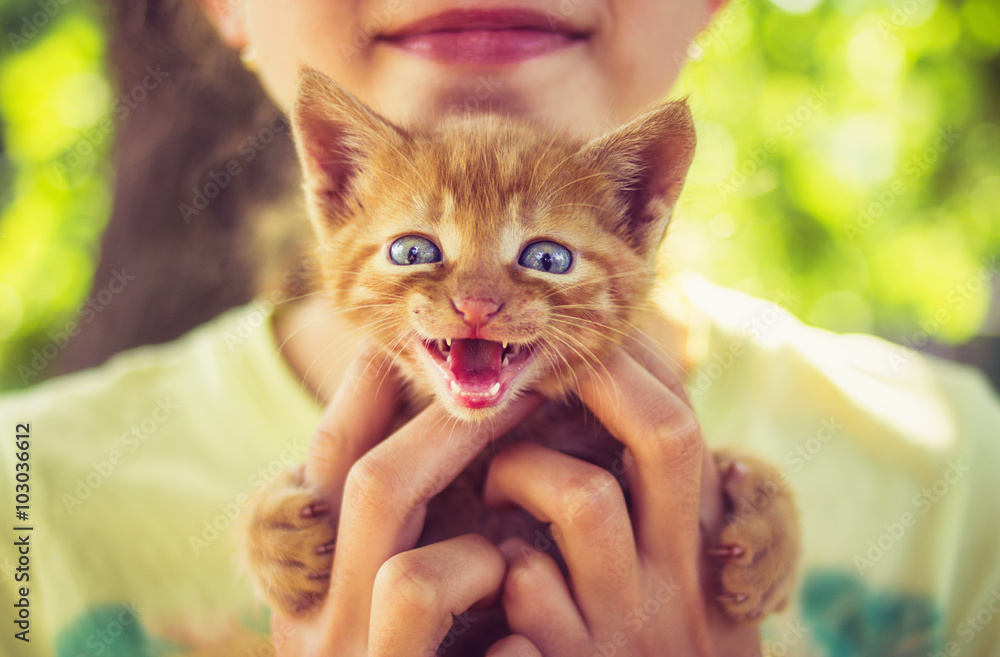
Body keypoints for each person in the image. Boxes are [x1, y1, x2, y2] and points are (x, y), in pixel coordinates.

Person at [2, 0, 999, 656]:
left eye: (545, 256)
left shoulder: (961, 484)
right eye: (417, 251)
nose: (475, 303)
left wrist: (749, 514)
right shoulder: (24, 503)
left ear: (640, 208)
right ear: (335, 188)